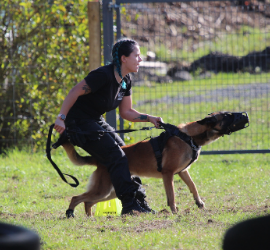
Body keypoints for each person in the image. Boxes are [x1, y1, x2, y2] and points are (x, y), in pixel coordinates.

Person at [54, 38, 163, 215]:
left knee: (127, 154)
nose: (140, 60)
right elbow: (74, 91)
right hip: (78, 122)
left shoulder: (126, 80)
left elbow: (126, 112)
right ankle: (129, 205)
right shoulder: (103, 75)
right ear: (123, 58)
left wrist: (149, 118)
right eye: (137, 55)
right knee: (117, 156)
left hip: (95, 120)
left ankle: (140, 202)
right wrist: (61, 118)